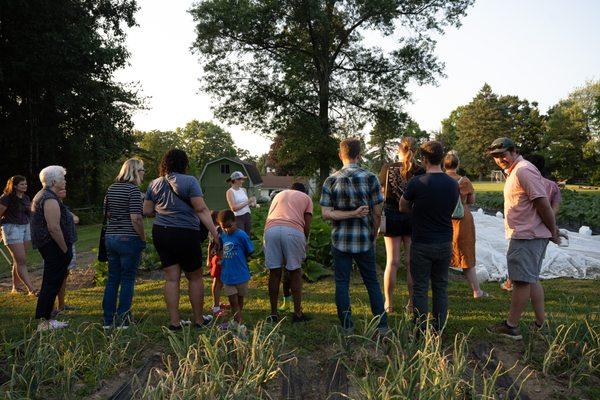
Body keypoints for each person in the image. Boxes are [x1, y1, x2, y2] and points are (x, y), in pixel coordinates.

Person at [486, 137, 559, 340]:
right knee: (531, 279)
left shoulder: (523, 170)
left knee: (520, 281)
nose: (500, 160)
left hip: (527, 236)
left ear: (514, 151)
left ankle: (511, 326)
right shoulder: (516, 171)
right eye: (495, 157)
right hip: (530, 234)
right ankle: (541, 323)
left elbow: (542, 203)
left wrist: (553, 231)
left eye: (503, 155)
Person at [144, 149, 220, 330]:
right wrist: (215, 235)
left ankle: (175, 322)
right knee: (194, 278)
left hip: (161, 232)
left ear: (165, 163)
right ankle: (199, 320)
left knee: (171, 279)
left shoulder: (154, 183)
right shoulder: (190, 181)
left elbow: (146, 211)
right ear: (184, 163)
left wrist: (165, 211)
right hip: (186, 233)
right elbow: (201, 209)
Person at [320, 138, 388, 334]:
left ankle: (347, 326)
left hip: (340, 240)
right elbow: (377, 212)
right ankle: (382, 326)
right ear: (359, 155)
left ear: (340, 155)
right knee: (372, 283)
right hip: (365, 239)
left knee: (342, 283)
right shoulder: (371, 178)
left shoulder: (331, 180)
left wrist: (345, 215)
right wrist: (373, 234)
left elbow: (326, 213)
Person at [400, 141, 459, 332]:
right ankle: (439, 327)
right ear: (442, 159)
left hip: (422, 242)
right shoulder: (452, 184)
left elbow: (402, 206)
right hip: (444, 242)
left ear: (424, 159)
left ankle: (420, 329)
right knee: (441, 287)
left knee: (420, 288)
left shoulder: (417, 183)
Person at [501, 154, 562, 292]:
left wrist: (552, 230)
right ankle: (540, 314)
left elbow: (543, 207)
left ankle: (511, 283)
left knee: (522, 279)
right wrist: (551, 227)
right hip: (542, 232)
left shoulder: (525, 175)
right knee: (533, 277)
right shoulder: (552, 185)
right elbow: (554, 209)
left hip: (528, 234)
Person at [378, 137, 425, 313]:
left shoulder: (387, 168)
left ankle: (388, 304)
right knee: (411, 262)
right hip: (413, 216)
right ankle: (411, 304)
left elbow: (382, 193)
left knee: (392, 261)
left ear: (399, 149)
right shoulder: (420, 170)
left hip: (391, 215)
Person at [101, 158, 147, 328]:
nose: (143, 173)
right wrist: (142, 237)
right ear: (135, 171)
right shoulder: (133, 190)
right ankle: (123, 319)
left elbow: (107, 213)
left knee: (113, 279)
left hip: (111, 237)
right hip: (128, 238)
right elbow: (136, 218)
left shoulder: (111, 188)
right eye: (142, 170)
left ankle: (108, 319)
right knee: (127, 279)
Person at [30, 166, 76, 331]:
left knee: (52, 281)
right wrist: (64, 249)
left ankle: (46, 317)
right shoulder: (49, 198)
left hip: (51, 246)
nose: (65, 181)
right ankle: (45, 321)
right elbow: (53, 228)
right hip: (53, 246)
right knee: (51, 282)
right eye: (63, 178)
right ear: (54, 181)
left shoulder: (47, 195)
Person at [264, 182, 313, 323]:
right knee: (295, 271)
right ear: (304, 191)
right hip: (293, 231)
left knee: (274, 272)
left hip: (271, 230)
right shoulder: (306, 198)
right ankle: (297, 314)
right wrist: (305, 241)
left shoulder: (279, 195)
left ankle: (273, 314)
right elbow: (307, 224)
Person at [443, 151, 489, 299]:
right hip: (463, 220)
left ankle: (440, 290)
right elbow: (471, 201)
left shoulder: (440, 179)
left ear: (444, 164)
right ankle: (477, 291)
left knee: (442, 254)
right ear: (458, 164)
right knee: (466, 255)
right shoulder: (464, 181)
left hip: (443, 219)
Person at [217, 209, 254, 333]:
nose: (227, 229)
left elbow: (250, 250)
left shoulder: (241, 235)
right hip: (227, 275)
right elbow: (219, 248)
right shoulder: (222, 235)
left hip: (241, 274)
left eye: (229, 226)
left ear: (235, 222)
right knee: (233, 301)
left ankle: (236, 320)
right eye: (224, 227)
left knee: (239, 299)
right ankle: (238, 323)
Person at [0, 175, 36, 295]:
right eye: (22, 184)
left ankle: (15, 288)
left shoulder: (26, 197)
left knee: (19, 260)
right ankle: (31, 289)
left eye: (25, 184)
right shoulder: (6, 198)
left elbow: (30, 212)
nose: (25, 186)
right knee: (21, 260)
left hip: (25, 227)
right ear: (14, 185)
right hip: (11, 228)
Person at [54, 187, 79, 317]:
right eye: (61, 188)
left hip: (69, 242)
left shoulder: (63, 205)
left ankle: (61, 304)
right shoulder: (52, 204)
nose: (64, 189)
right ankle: (52, 306)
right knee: (57, 275)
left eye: (65, 188)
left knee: (65, 274)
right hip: (61, 244)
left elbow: (76, 219)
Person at [208, 210, 229, 317]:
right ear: (217, 219)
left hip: (220, 258)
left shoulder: (218, 229)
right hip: (218, 259)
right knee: (218, 282)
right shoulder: (217, 230)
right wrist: (209, 259)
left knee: (219, 282)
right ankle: (216, 306)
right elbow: (211, 245)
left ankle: (217, 302)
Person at [225, 171, 256, 236]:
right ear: (235, 180)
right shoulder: (230, 192)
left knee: (247, 236)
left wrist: (253, 204)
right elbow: (233, 208)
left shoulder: (243, 190)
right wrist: (248, 202)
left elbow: (245, 204)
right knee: (242, 237)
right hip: (238, 218)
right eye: (241, 179)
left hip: (247, 215)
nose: (242, 181)